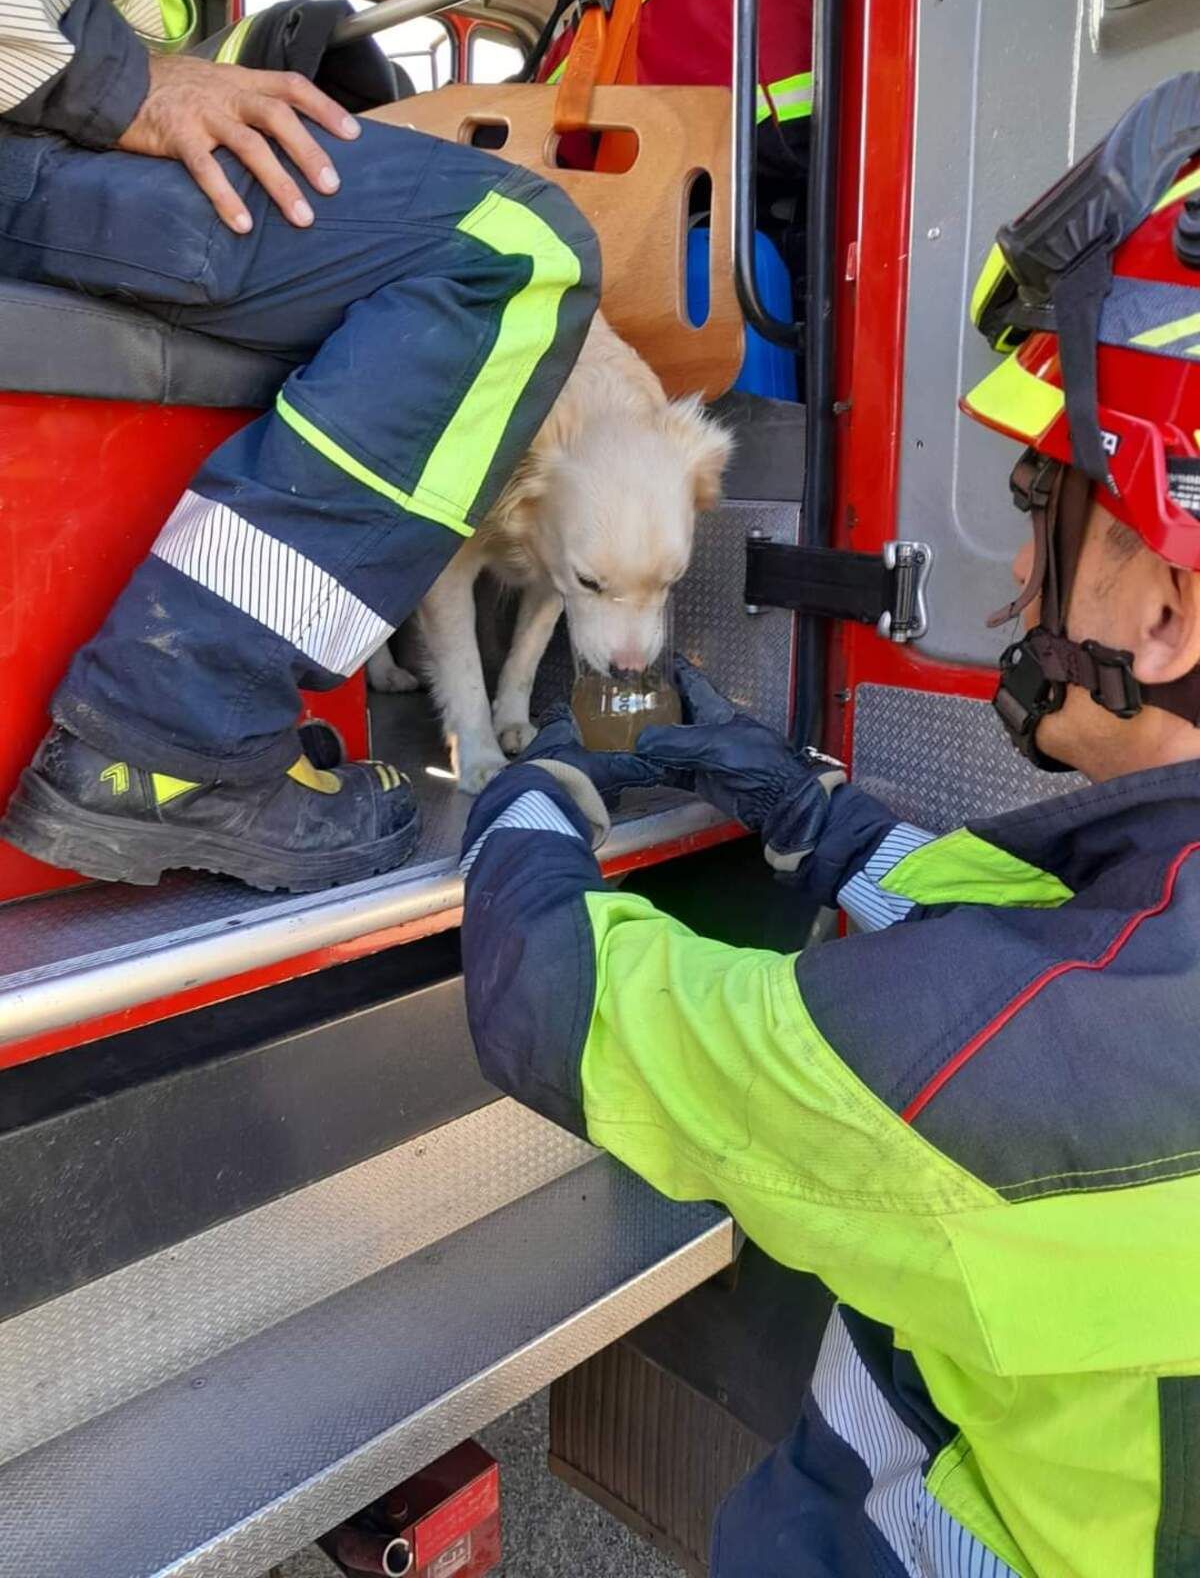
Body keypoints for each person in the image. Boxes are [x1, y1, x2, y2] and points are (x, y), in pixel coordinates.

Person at [456, 78, 1200, 1577]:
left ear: (1168, 608)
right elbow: (1042, 948)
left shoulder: (1038, 1074)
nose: (1013, 593)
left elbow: (572, 1004)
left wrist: (528, 800)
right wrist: (794, 797)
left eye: (1043, 511)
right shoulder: (1150, 929)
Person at [0, 0, 598, 892]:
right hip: (29, 134)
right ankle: (179, 726)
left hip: (46, 128)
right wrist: (126, 86)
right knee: (515, 248)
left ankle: (197, 701)